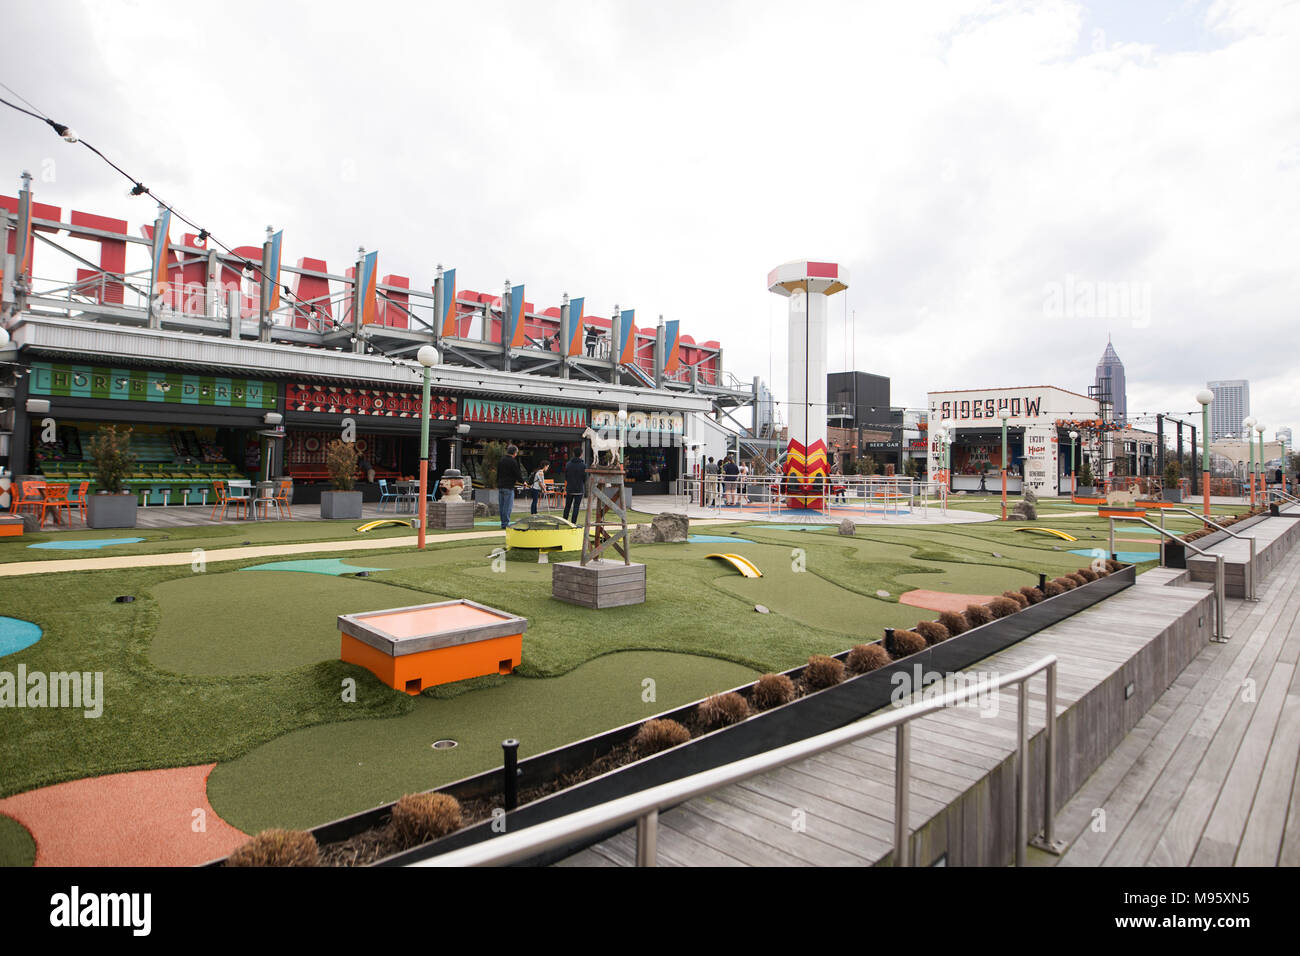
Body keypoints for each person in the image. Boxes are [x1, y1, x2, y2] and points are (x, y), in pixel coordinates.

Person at [496, 444, 523, 529]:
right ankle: (505, 524)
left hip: (501, 485)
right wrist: (523, 482)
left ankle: (503, 523)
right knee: (507, 507)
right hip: (509, 486)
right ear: (515, 453)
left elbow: (498, 473)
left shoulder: (501, 460)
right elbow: (517, 474)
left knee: (502, 506)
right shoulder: (513, 461)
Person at [563, 451, 587, 524]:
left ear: (573, 454)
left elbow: (566, 477)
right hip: (579, 488)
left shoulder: (568, 464)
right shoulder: (583, 465)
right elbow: (585, 478)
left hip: (570, 488)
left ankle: (564, 520)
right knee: (576, 507)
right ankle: (573, 522)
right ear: (581, 455)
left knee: (567, 506)